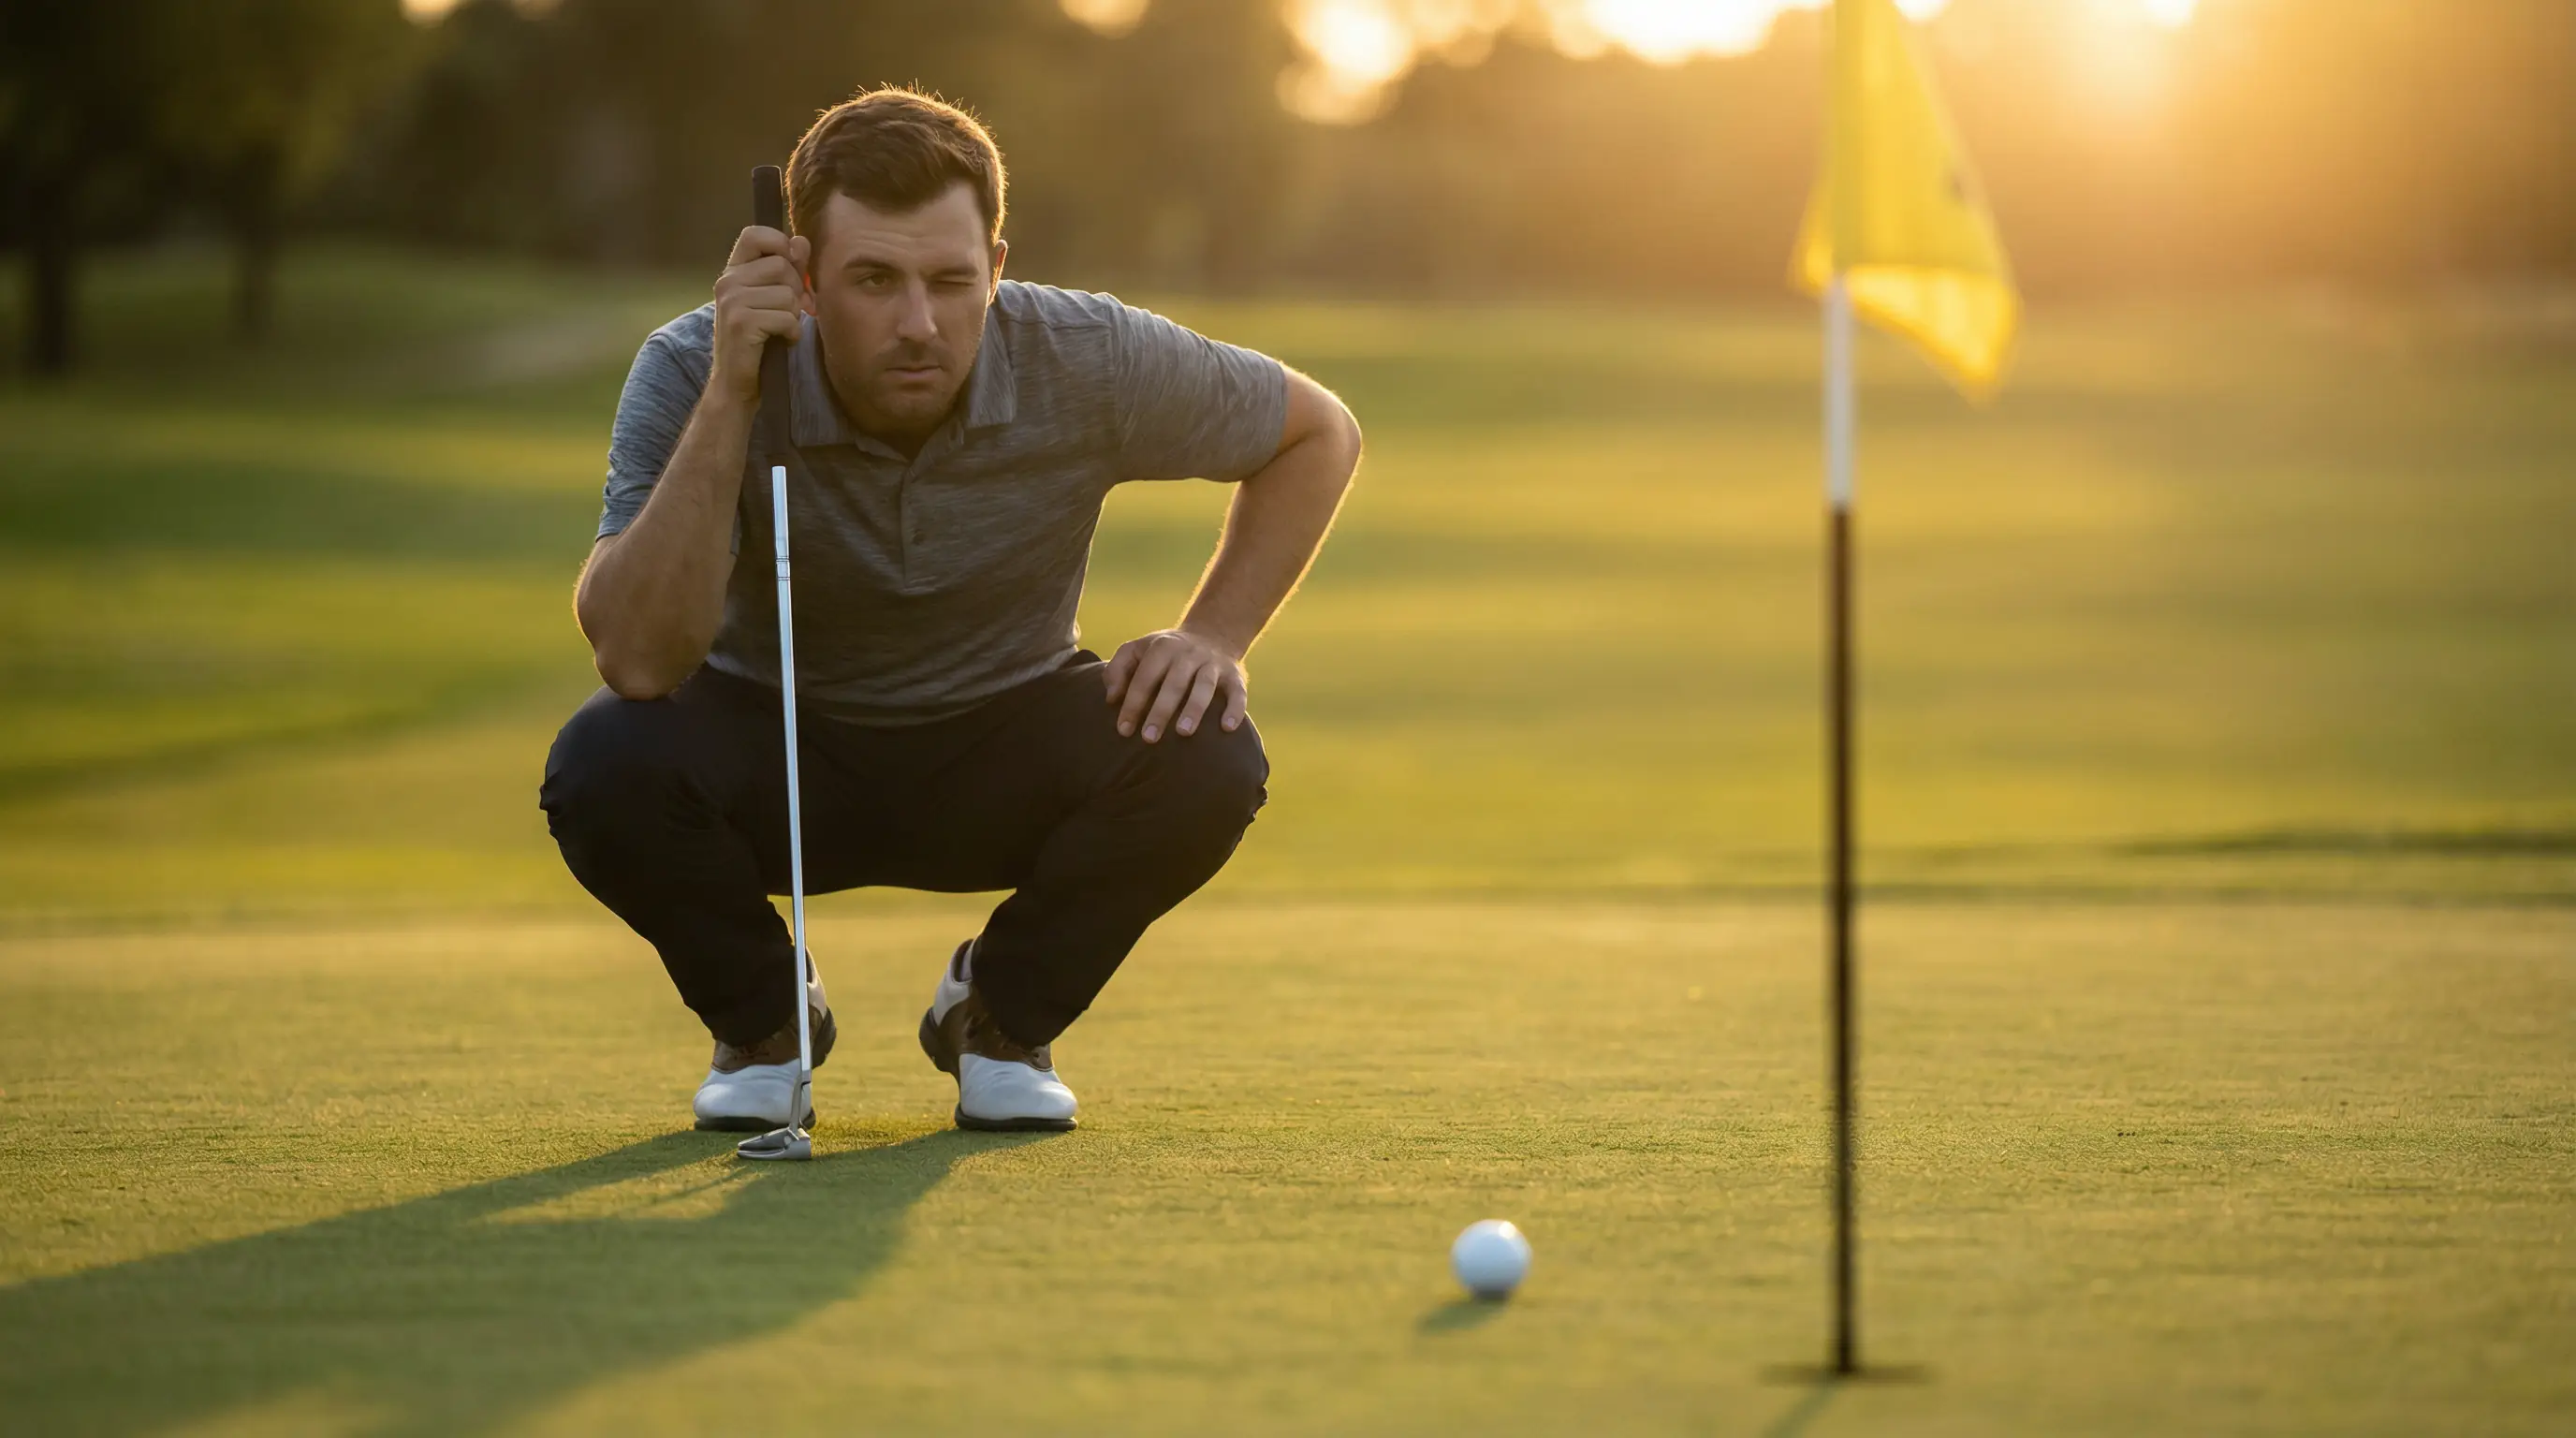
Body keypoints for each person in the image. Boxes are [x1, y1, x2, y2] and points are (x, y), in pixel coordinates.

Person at [538, 88, 1361, 1134]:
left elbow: (1317, 433)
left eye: (950, 282)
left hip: (1001, 737)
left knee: (1206, 750)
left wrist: (1213, 635)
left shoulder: (1083, 353)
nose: (918, 325)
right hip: (777, 750)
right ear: (801, 276)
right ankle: (764, 1024)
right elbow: (641, 660)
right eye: (873, 281)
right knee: (604, 761)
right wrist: (735, 395)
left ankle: (1000, 1019)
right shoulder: (694, 364)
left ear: (998, 270)